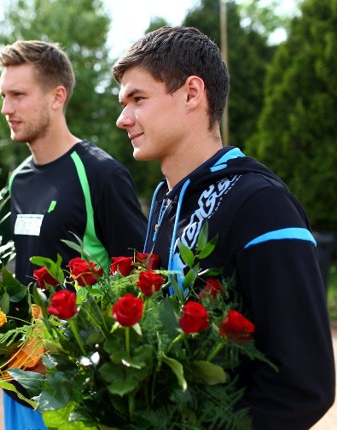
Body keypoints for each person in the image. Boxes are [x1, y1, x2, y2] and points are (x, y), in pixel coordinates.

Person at [113, 25, 335, 429]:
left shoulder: (262, 204)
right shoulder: (165, 204)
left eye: (138, 99)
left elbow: (305, 385)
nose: (122, 118)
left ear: (192, 93)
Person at [0, 40, 147, 430]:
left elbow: (141, 283)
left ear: (56, 97)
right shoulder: (18, 180)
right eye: (3, 96)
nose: (6, 109)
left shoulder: (101, 175)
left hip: (79, 393)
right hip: (19, 381)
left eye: (17, 95)